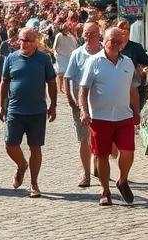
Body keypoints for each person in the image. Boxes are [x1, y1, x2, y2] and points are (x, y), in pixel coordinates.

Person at [79, 27, 139, 206]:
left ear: (122, 44)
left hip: (124, 117)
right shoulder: (94, 61)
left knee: (128, 151)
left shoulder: (128, 62)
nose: (115, 44)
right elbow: (83, 89)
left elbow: (133, 89)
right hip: (100, 118)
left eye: (118, 41)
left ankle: (122, 180)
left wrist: (137, 112)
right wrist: (84, 111)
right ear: (103, 42)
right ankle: (105, 190)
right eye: (111, 40)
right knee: (102, 155)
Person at [0, 26, 57, 198]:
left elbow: (52, 82)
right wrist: (0, 105)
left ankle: (34, 183)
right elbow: (4, 82)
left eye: (28, 40)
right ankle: (22, 165)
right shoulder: (11, 58)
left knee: (35, 147)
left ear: (36, 42)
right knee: (10, 144)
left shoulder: (43, 59)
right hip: (15, 110)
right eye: (22, 39)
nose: (23, 43)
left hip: (37, 111)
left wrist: (53, 105)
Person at [63, 20, 103, 188]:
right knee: (84, 139)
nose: (88, 36)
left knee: (100, 139)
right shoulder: (77, 54)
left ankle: (100, 168)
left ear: (98, 34)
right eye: (85, 33)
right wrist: (71, 100)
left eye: (91, 33)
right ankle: (86, 174)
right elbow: (67, 77)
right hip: (82, 105)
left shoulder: (105, 53)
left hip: (101, 104)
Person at [116, 19, 148, 108]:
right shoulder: (112, 47)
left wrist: (139, 70)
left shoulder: (136, 47)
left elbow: (147, 66)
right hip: (117, 90)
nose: (124, 31)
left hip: (134, 88)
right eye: (121, 28)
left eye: (127, 29)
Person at [53, 19, 79, 93]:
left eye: (67, 28)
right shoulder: (59, 35)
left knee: (66, 73)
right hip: (60, 56)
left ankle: (65, 88)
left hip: (67, 57)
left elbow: (74, 46)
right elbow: (54, 46)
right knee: (61, 73)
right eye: (65, 28)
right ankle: (60, 87)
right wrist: (55, 53)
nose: (66, 29)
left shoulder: (70, 37)